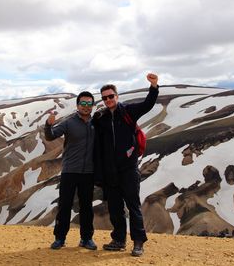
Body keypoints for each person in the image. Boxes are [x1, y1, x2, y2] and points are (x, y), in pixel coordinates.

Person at [93, 73, 159, 256]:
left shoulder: (128, 112)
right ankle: (119, 240)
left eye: (110, 96)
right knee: (114, 208)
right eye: (104, 97)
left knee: (133, 206)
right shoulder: (101, 118)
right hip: (110, 172)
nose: (108, 100)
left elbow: (148, 104)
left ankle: (138, 242)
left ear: (117, 96)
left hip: (128, 169)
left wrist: (154, 87)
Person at [44, 91, 97, 250]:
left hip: (88, 172)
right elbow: (50, 136)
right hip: (69, 171)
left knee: (86, 206)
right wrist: (49, 124)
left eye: (89, 104)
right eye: (83, 103)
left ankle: (86, 238)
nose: (86, 107)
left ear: (93, 106)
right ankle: (60, 238)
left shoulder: (97, 122)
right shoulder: (69, 122)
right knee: (65, 205)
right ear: (77, 105)